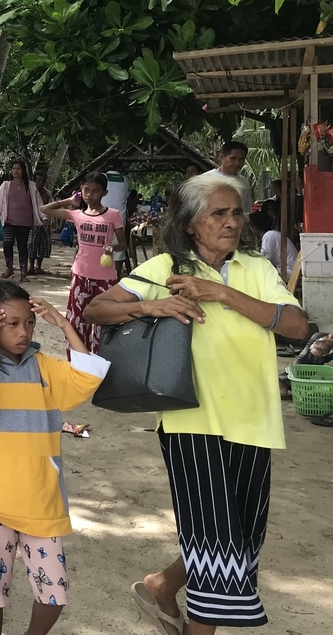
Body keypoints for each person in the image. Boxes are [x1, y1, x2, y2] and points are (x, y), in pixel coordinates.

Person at [84, 174, 308, 635]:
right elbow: (97, 309)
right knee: (215, 548)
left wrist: (222, 293)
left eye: (236, 212)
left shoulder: (256, 268)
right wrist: (150, 306)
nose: (231, 222)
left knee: (240, 538)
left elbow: (297, 326)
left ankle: (162, 584)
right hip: (191, 420)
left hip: (255, 418)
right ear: (189, 223)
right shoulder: (165, 267)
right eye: (218, 213)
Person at [0, 280, 110, 635]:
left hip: (41, 498)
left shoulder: (44, 367)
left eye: (29, 322)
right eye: (11, 324)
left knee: (54, 593)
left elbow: (87, 378)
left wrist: (64, 324)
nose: (23, 332)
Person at [40, 172, 125, 353]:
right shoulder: (76, 214)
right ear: (81, 190)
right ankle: (79, 359)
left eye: (95, 191)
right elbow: (44, 209)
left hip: (106, 279)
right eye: (86, 190)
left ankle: (100, 359)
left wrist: (113, 248)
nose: (90, 195)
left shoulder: (113, 215)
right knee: (77, 321)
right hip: (81, 275)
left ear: (104, 193)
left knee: (103, 322)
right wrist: (70, 201)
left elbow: (123, 244)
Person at [0, 161, 44, 283]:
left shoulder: (31, 186)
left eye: (18, 168)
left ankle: (23, 273)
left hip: (25, 222)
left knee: (22, 246)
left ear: (23, 170)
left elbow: (38, 203)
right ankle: (9, 267)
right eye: (13, 168)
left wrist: (44, 217)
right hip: (9, 221)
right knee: (7, 243)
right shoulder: (5, 185)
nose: (16, 171)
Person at [202, 140, 252, 214]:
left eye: (241, 159)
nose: (237, 163)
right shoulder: (205, 179)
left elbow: (246, 210)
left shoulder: (244, 182)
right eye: (233, 158)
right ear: (222, 157)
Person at [248, 210, 297, 278]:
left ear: (255, 227)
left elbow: (264, 259)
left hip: (289, 271)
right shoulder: (271, 234)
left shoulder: (268, 236)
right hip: (289, 269)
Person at [28, 171, 53, 275]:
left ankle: (38, 267)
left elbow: (50, 207)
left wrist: (49, 220)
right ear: (35, 181)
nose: (41, 182)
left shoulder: (47, 193)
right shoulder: (30, 193)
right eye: (39, 180)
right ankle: (31, 267)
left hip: (45, 223)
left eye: (43, 181)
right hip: (33, 222)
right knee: (32, 244)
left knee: (43, 245)